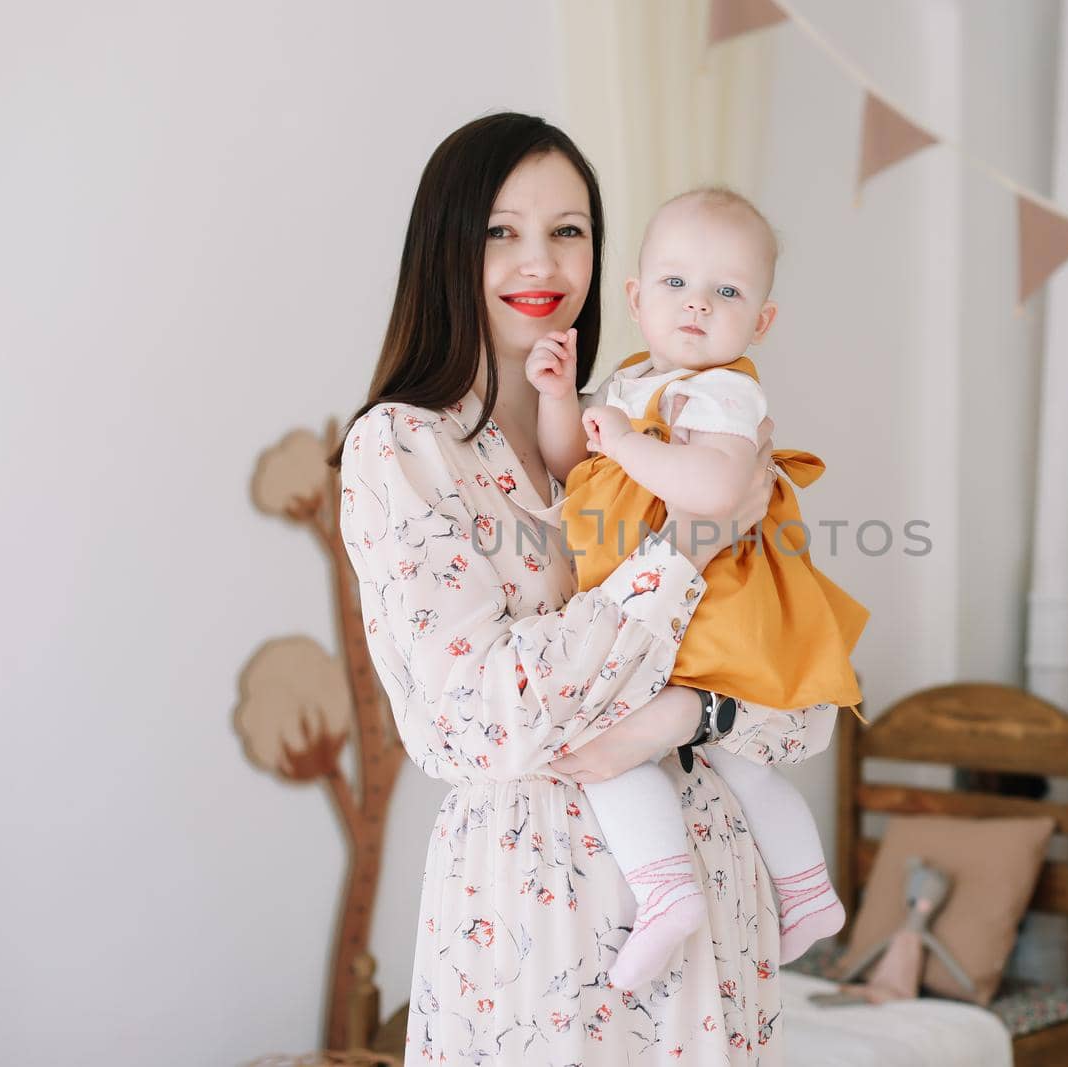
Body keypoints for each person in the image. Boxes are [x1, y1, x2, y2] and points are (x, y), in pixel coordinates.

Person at [332, 112, 837, 1064]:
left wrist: (686, 714)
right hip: (537, 919)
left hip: (719, 916)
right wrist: (685, 553)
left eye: (569, 230)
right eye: (501, 231)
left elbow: (798, 697)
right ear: (447, 245)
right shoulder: (404, 448)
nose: (543, 263)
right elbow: (482, 717)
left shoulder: (663, 422)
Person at [523, 188, 865, 991]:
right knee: (728, 763)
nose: (698, 305)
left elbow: (714, 486)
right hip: (648, 599)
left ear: (761, 322)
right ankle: (807, 892)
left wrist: (632, 444)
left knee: (617, 740)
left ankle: (668, 889)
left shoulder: (722, 394)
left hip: (708, 602)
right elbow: (575, 462)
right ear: (637, 299)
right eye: (676, 284)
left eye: (728, 291)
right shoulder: (635, 380)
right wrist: (557, 399)